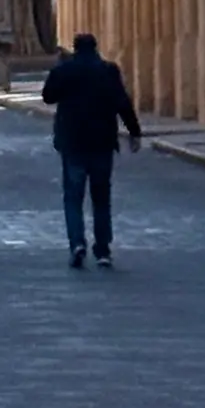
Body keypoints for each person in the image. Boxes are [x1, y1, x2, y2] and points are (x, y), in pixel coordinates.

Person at [40, 30, 142, 267]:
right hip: (102, 142)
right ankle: (103, 249)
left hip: (72, 142)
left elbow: (47, 97)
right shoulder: (108, 70)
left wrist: (59, 73)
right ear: (96, 48)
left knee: (73, 197)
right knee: (101, 197)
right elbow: (122, 103)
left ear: (75, 48)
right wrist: (134, 132)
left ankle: (77, 243)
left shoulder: (64, 70)